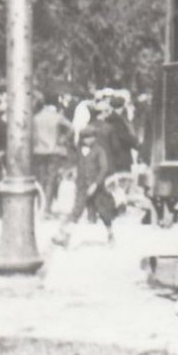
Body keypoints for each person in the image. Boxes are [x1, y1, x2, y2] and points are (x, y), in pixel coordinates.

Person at [53, 114, 116, 247]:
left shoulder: (99, 150)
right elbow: (76, 163)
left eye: (91, 137)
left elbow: (104, 168)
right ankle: (65, 237)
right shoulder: (80, 151)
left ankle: (111, 235)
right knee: (76, 211)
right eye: (85, 138)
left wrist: (96, 184)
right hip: (82, 185)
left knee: (103, 212)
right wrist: (72, 171)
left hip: (96, 186)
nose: (88, 140)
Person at [31, 95, 72, 213]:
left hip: (38, 151)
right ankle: (47, 207)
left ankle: (40, 204)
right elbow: (72, 128)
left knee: (40, 179)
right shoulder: (57, 117)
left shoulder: (35, 118)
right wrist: (63, 138)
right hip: (54, 151)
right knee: (51, 179)